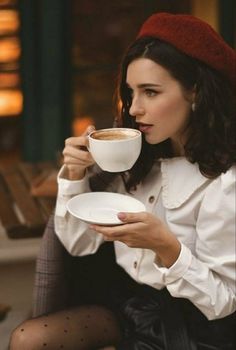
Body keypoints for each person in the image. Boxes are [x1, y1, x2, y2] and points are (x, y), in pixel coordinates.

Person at [10, 12, 236, 350]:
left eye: (151, 92)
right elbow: (78, 244)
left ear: (196, 93)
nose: (134, 109)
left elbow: (223, 301)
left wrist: (166, 246)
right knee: (29, 339)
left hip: (191, 326)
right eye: (130, 92)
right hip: (126, 301)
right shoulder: (136, 159)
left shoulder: (224, 182)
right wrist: (73, 176)